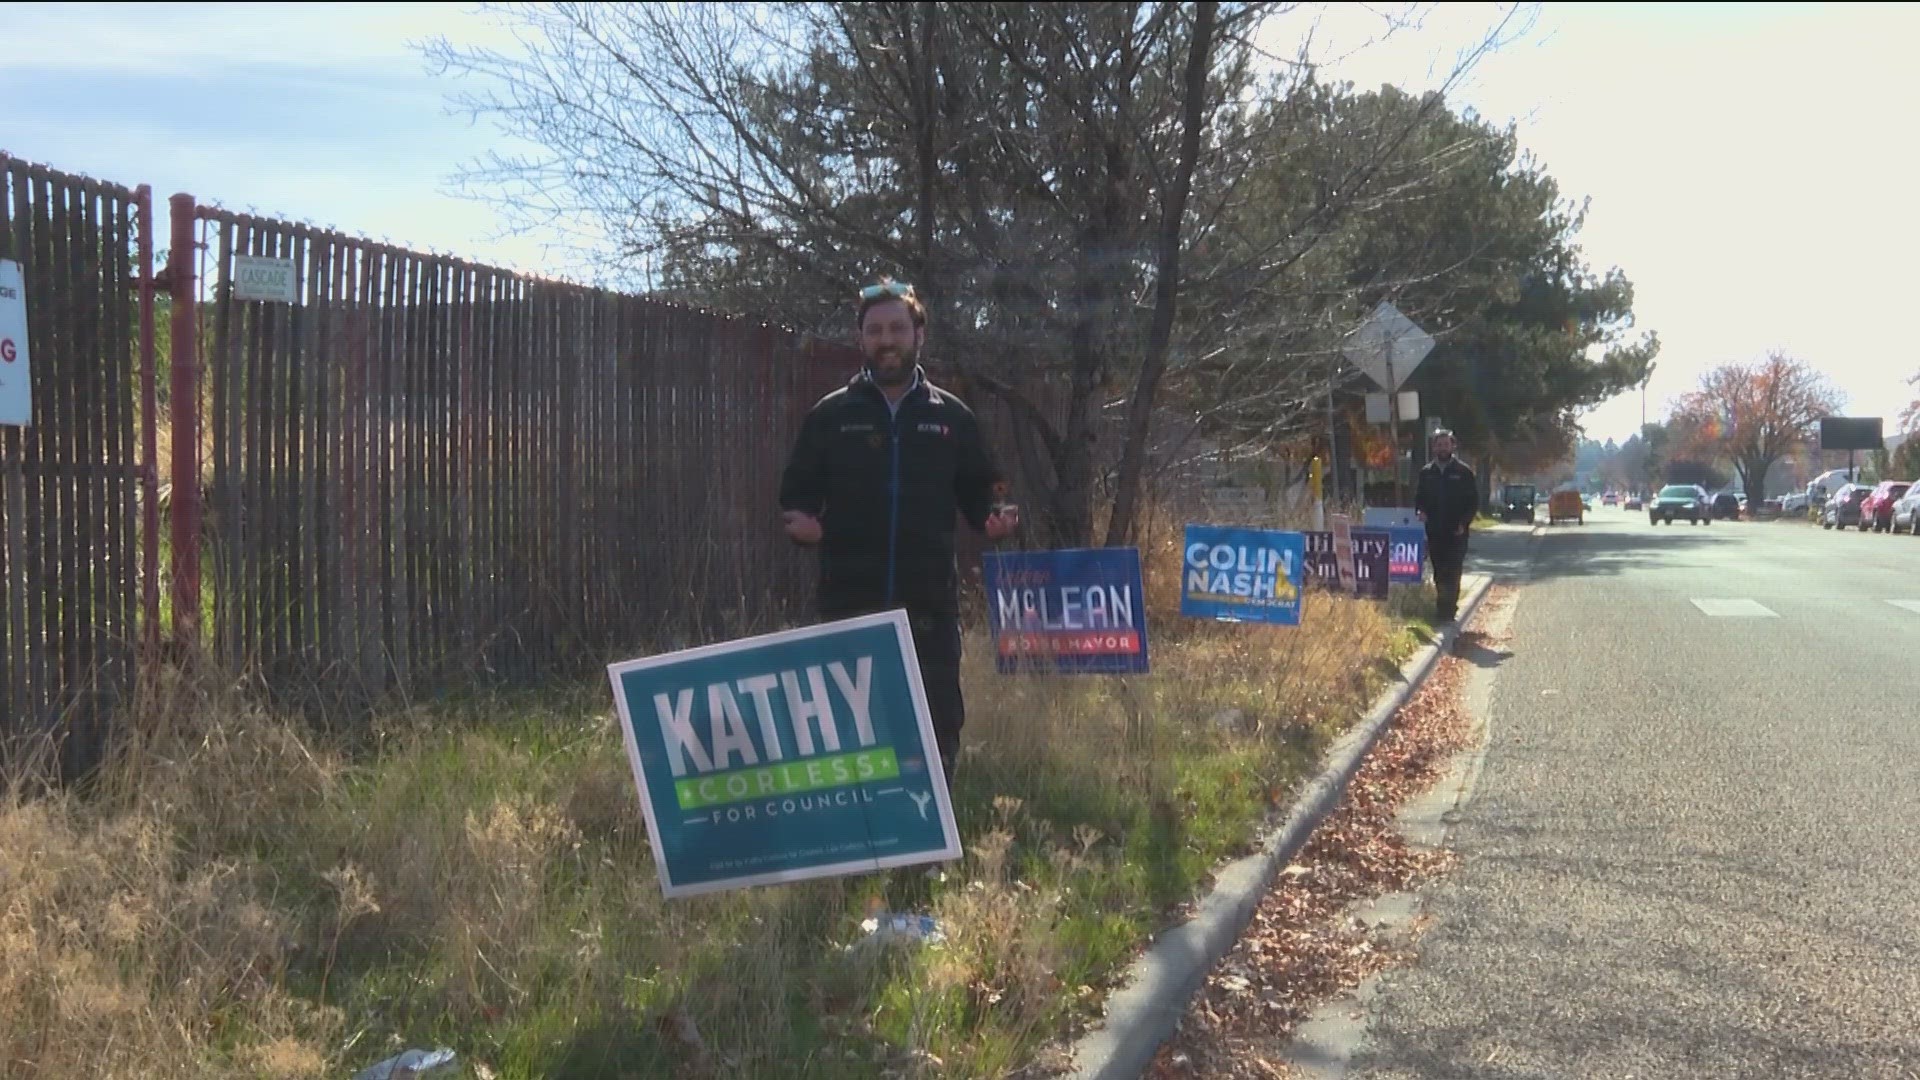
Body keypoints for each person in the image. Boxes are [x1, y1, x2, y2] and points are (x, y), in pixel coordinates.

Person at [778, 278, 1019, 789]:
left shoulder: (951, 417)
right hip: (848, 602)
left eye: (897, 328)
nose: (886, 340)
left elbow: (984, 488)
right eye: (875, 330)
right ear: (861, 338)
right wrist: (801, 524)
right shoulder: (831, 415)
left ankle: (930, 848)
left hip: (928, 606)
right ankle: (862, 849)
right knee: (851, 729)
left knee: (935, 726)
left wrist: (993, 517)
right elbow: (795, 494)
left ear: (918, 335)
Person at [1413, 428, 1478, 624]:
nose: (1442, 448)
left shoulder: (1463, 472)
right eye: (1439, 444)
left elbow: (1473, 502)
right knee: (1439, 571)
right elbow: (1419, 498)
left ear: (1453, 446)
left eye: (1446, 444)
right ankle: (1442, 606)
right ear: (1434, 447)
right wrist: (1420, 511)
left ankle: (1449, 609)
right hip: (1434, 531)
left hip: (1456, 532)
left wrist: (1463, 523)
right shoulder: (1427, 473)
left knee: (1453, 570)